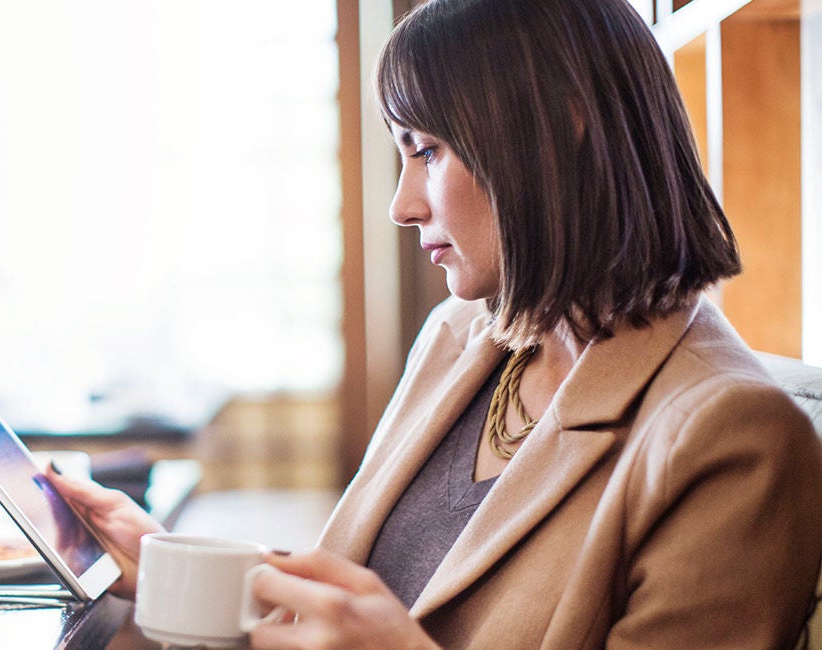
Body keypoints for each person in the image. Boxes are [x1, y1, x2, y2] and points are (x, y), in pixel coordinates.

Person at [47, 0, 822, 646]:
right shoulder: (461, 338)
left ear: (562, 127)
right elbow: (381, 600)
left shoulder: (735, 440)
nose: (401, 205)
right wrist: (183, 571)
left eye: (427, 151)